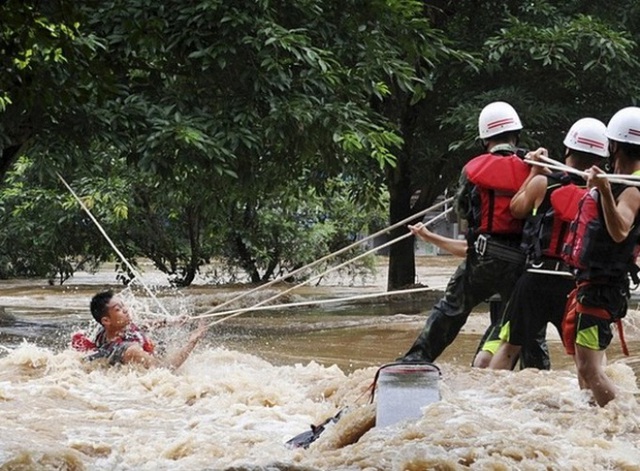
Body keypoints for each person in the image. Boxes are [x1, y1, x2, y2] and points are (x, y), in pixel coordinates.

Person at [399, 101, 537, 364]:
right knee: (529, 330)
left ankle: (415, 361)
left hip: (481, 261)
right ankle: (540, 379)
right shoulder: (533, 168)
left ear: (484, 139)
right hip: (521, 267)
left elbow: (461, 209)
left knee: (450, 311)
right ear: (516, 135)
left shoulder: (474, 169)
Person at [489, 118, 609, 370]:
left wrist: (534, 171)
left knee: (509, 348)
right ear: (601, 159)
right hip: (575, 283)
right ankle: (597, 407)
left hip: (535, 278)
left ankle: (488, 405)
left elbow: (516, 209)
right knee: (586, 359)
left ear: (567, 150)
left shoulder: (543, 182)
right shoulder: (604, 195)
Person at [561, 107, 640, 406]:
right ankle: (595, 424)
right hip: (595, 285)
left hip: (602, 290)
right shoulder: (624, 180)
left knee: (589, 369)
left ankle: (627, 425)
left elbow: (620, 230)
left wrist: (605, 191)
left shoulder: (632, 188)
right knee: (586, 369)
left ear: (614, 144)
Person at [72, 290, 208, 370]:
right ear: (106, 321)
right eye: (118, 309)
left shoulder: (109, 331)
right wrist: (192, 341)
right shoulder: (130, 351)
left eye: (123, 306)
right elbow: (166, 369)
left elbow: (141, 326)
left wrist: (170, 321)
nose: (125, 310)